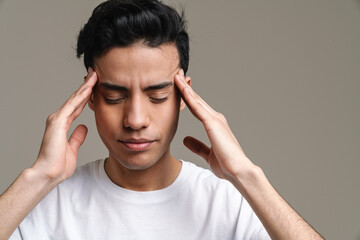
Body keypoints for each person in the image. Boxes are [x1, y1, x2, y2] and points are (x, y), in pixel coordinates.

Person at [0, 0, 323, 239]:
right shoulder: (45, 204)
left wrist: (247, 176)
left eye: (157, 96)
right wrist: (38, 177)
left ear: (185, 97)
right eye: (115, 96)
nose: (136, 119)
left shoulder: (230, 204)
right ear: (90, 97)